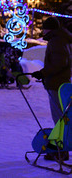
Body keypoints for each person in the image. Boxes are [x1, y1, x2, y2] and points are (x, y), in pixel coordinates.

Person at [32, 17, 72, 161]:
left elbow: (59, 63)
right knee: (62, 117)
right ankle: (61, 149)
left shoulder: (56, 40)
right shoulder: (63, 38)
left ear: (49, 29)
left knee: (60, 118)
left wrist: (42, 73)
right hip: (61, 83)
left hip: (57, 84)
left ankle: (60, 150)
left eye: (44, 28)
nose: (43, 31)